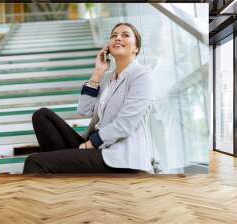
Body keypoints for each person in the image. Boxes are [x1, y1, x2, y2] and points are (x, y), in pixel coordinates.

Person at [23, 22, 153, 174]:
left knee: (34, 162)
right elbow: (84, 110)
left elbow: (125, 124)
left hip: (118, 156)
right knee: (42, 115)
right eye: (113, 36)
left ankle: (56, 172)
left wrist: (90, 144)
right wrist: (98, 73)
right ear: (109, 47)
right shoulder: (108, 80)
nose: (118, 38)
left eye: (125, 35)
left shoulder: (142, 74)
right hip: (94, 145)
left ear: (136, 48)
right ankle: (61, 173)